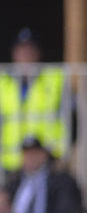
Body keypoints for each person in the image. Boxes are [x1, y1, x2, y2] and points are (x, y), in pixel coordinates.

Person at [0, 29, 69, 171]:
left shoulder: (54, 79)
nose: (26, 55)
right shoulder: (3, 82)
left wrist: (63, 154)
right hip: (11, 160)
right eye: (22, 51)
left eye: (30, 50)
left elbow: (72, 120)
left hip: (48, 159)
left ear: (38, 53)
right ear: (14, 54)